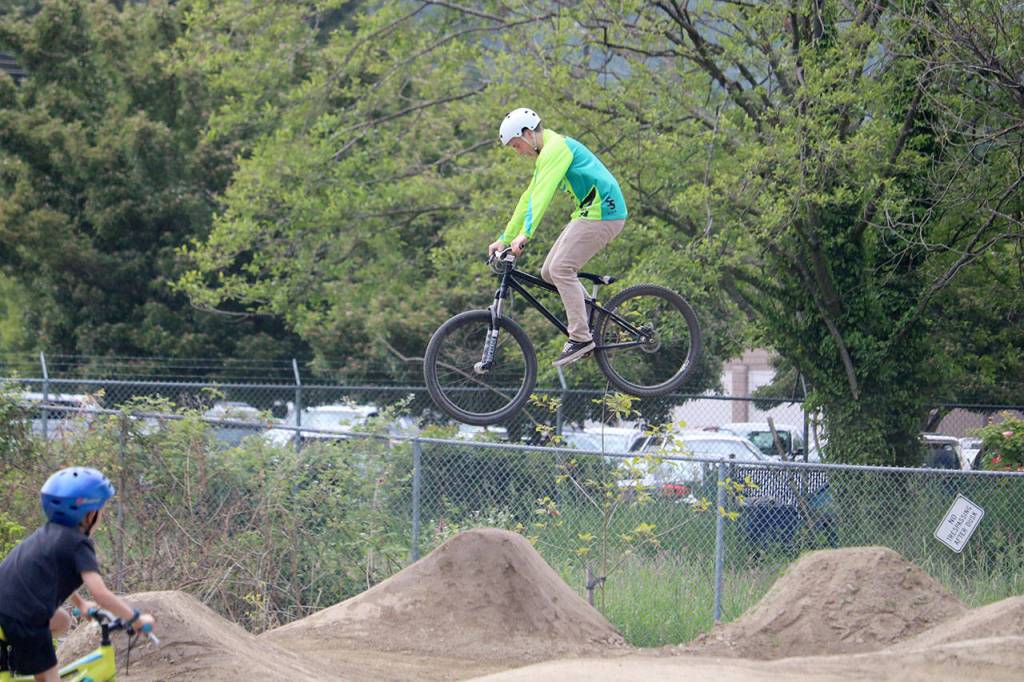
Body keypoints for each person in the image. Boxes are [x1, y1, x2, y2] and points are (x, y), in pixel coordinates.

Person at [489, 107, 628, 367]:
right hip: (590, 213)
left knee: (562, 268)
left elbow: (541, 198)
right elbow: (528, 198)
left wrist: (525, 235)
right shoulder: (548, 153)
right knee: (549, 272)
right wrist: (505, 238)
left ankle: (580, 337)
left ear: (528, 134)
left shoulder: (555, 149)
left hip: (604, 212)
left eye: (517, 146)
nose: (518, 152)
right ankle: (591, 319)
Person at [0, 467, 155, 681]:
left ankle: (22, 661)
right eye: (102, 510)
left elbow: (51, 575)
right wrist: (136, 618)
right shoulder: (78, 544)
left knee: (62, 621)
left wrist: (81, 604)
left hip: (10, 610)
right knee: (49, 675)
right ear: (89, 514)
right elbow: (100, 594)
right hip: (24, 617)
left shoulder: (47, 534)